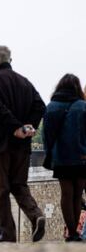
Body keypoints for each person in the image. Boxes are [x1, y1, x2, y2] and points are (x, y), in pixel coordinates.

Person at [0, 45, 46, 242]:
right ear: (10, 59)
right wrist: (29, 127)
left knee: (1, 188)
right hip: (22, 146)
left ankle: (7, 233)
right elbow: (40, 106)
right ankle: (36, 216)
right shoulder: (24, 82)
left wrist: (15, 127)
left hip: (0, 145)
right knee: (19, 185)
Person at [42, 74, 86, 242]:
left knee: (66, 194)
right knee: (77, 194)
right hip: (82, 156)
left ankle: (72, 233)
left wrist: (50, 154)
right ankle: (76, 232)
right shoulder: (83, 106)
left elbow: (46, 135)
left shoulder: (51, 107)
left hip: (61, 157)